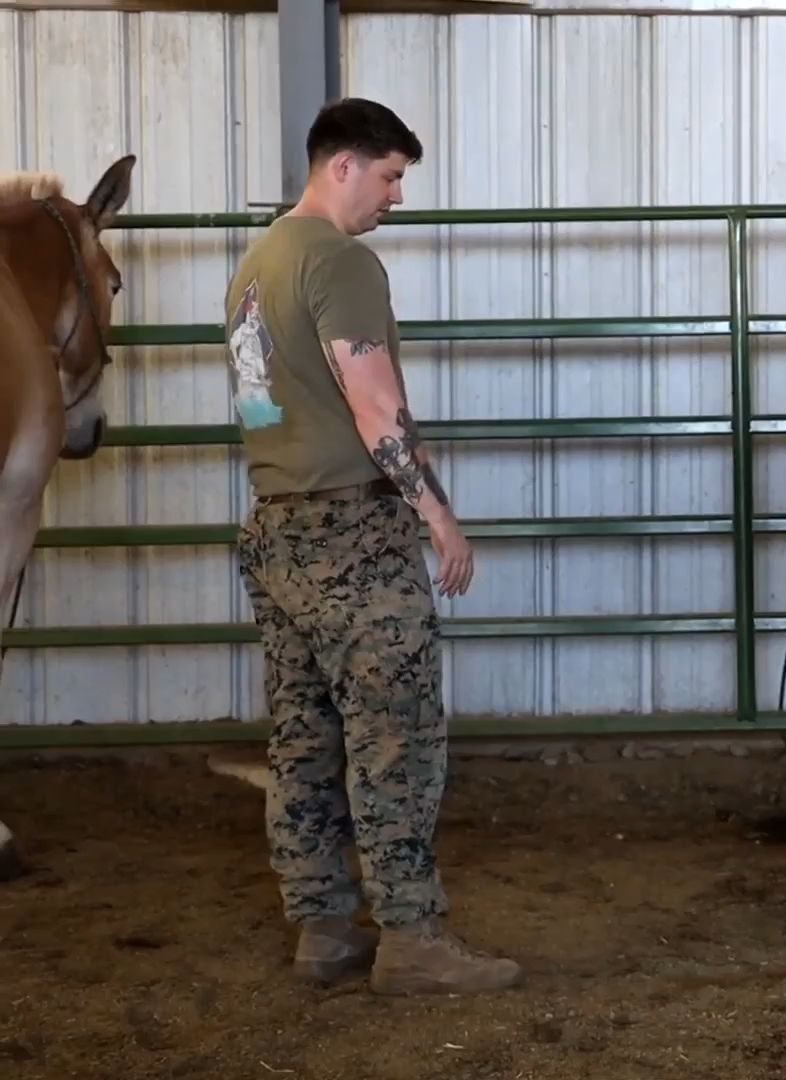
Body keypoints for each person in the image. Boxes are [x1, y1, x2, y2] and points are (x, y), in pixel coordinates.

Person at [222, 96, 518, 995]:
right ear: (341, 164)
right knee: (395, 739)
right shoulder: (341, 261)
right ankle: (412, 938)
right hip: (354, 531)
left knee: (303, 739)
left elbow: (262, 403)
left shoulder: (255, 263)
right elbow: (374, 403)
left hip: (275, 524)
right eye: (389, 175)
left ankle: (322, 929)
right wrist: (437, 514)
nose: (396, 195)